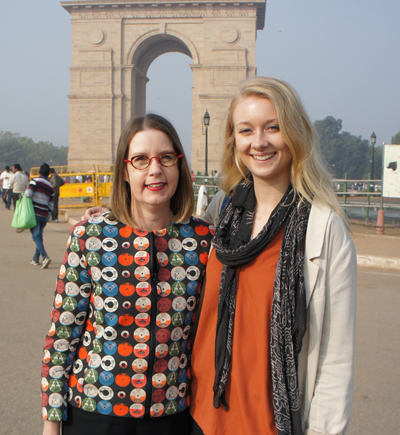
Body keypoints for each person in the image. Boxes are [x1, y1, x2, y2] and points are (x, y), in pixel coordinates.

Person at [190, 77, 357, 435]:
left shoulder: (325, 229)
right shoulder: (221, 213)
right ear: (234, 141)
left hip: (269, 424)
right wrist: (115, 221)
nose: (259, 142)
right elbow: (167, 245)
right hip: (199, 416)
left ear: (295, 133)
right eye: (246, 130)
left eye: (273, 127)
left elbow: (335, 355)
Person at [41, 114, 213, 435]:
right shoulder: (89, 236)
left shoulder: (205, 241)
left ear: (179, 165)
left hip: (172, 415)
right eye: (140, 159)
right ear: (124, 170)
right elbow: (63, 334)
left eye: (165, 158)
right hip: (94, 411)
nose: (154, 170)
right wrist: (51, 424)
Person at [25, 163, 54, 268]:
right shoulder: (50, 187)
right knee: (39, 236)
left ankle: (45, 256)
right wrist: (47, 212)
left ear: (39, 172)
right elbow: (51, 204)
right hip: (44, 214)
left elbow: (28, 193)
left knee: (36, 236)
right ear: (49, 173)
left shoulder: (35, 181)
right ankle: (35, 258)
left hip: (35, 213)